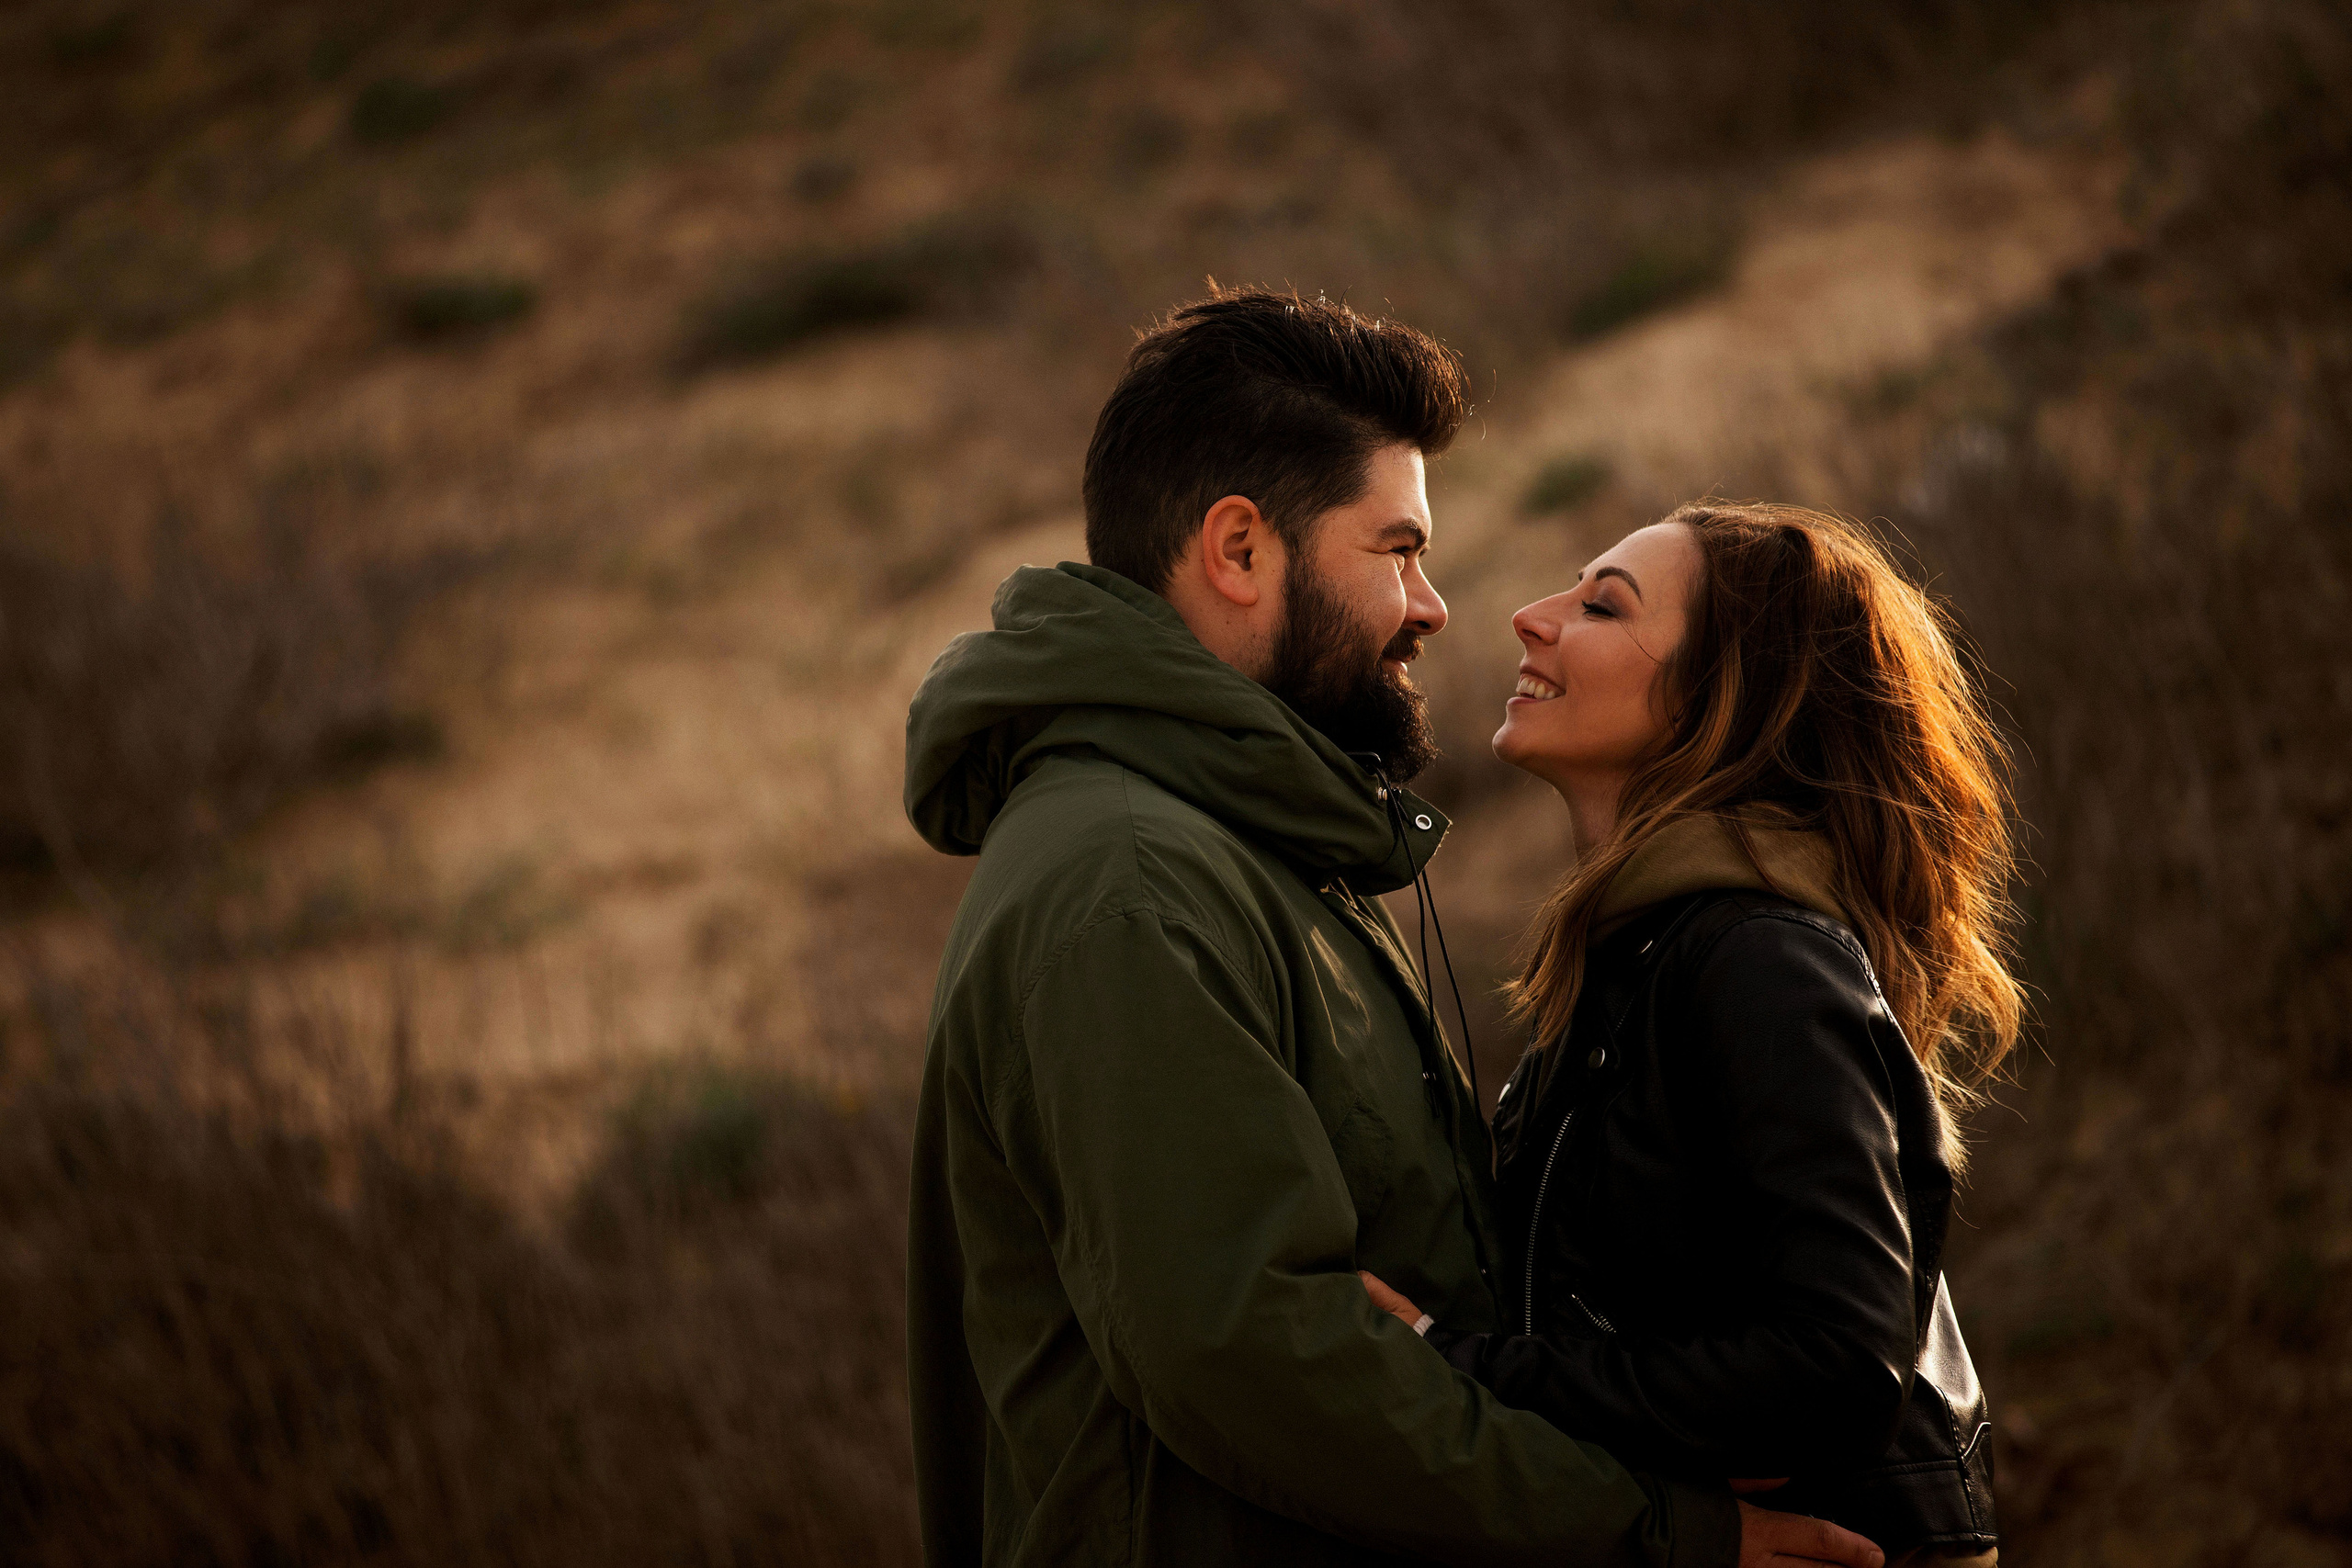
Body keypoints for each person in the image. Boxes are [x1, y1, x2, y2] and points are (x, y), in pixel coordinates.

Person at [903, 292, 1886, 1567]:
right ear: (1241, 550)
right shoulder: (1130, 883)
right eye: (1396, 548)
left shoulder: (1248, 861)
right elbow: (1258, 1357)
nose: (1432, 605)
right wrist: (1655, 1532)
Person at [1359, 504, 2018, 1566]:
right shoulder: (1647, 964)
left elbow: (1837, 1365)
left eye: (1599, 606)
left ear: (1724, 699)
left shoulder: (1758, 960)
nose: (1530, 619)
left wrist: (1456, 1368)